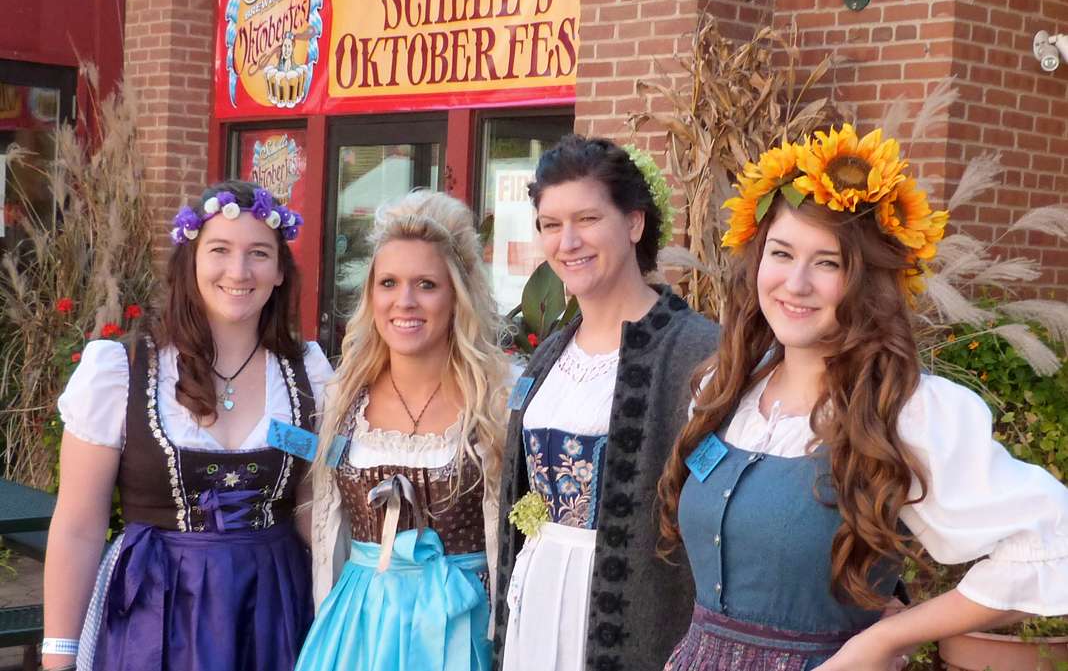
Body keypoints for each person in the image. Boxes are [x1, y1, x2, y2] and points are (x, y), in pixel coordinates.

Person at [658, 125, 1068, 671]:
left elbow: (1051, 541)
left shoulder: (905, 411)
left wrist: (882, 641)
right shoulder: (725, 390)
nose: (795, 283)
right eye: (781, 253)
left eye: (828, 262)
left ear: (869, 281)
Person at [42, 181, 332, 671]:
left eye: (259, 253)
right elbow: (78, 526)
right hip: (155, 612)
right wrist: (59, 657)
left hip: (276, 612)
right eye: (220, 250)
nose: (239, 271)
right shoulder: (123, 371)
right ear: (191, 261)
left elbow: (316, 515)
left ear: (280, 271)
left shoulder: (309, 373)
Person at [494, 135, 721, 671]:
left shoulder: (698, 351)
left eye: (588, 219)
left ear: (635, 223)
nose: (567, 241)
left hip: (632, 607)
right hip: (540, 589)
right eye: (551, 224)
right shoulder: (549, 351)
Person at [297, 190, 511, 671]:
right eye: (389, 282)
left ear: (457, 297)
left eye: (426, 284)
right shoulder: (343, 396)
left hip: (461, 624)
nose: (404, 302)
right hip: (361, 624)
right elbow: (327, 525)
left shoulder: (497, 401)